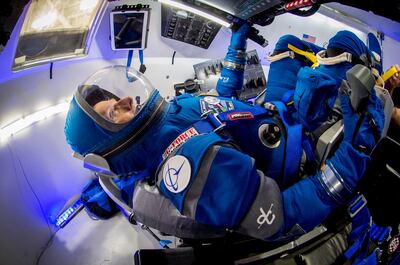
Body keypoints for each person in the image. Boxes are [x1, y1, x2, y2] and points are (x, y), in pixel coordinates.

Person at [64, 23, 384, 241]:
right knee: (343, 49)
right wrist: (355, 152)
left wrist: (237, 41)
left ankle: (342, 66)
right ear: (113, 144)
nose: (123, 99)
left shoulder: (165, 117)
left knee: (285, 45)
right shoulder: (185, 165)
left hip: (273, 112)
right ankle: (373, 68)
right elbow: (279, 217)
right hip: (295, 144)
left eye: (112, 97)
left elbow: (219, 100)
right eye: (111, 111)